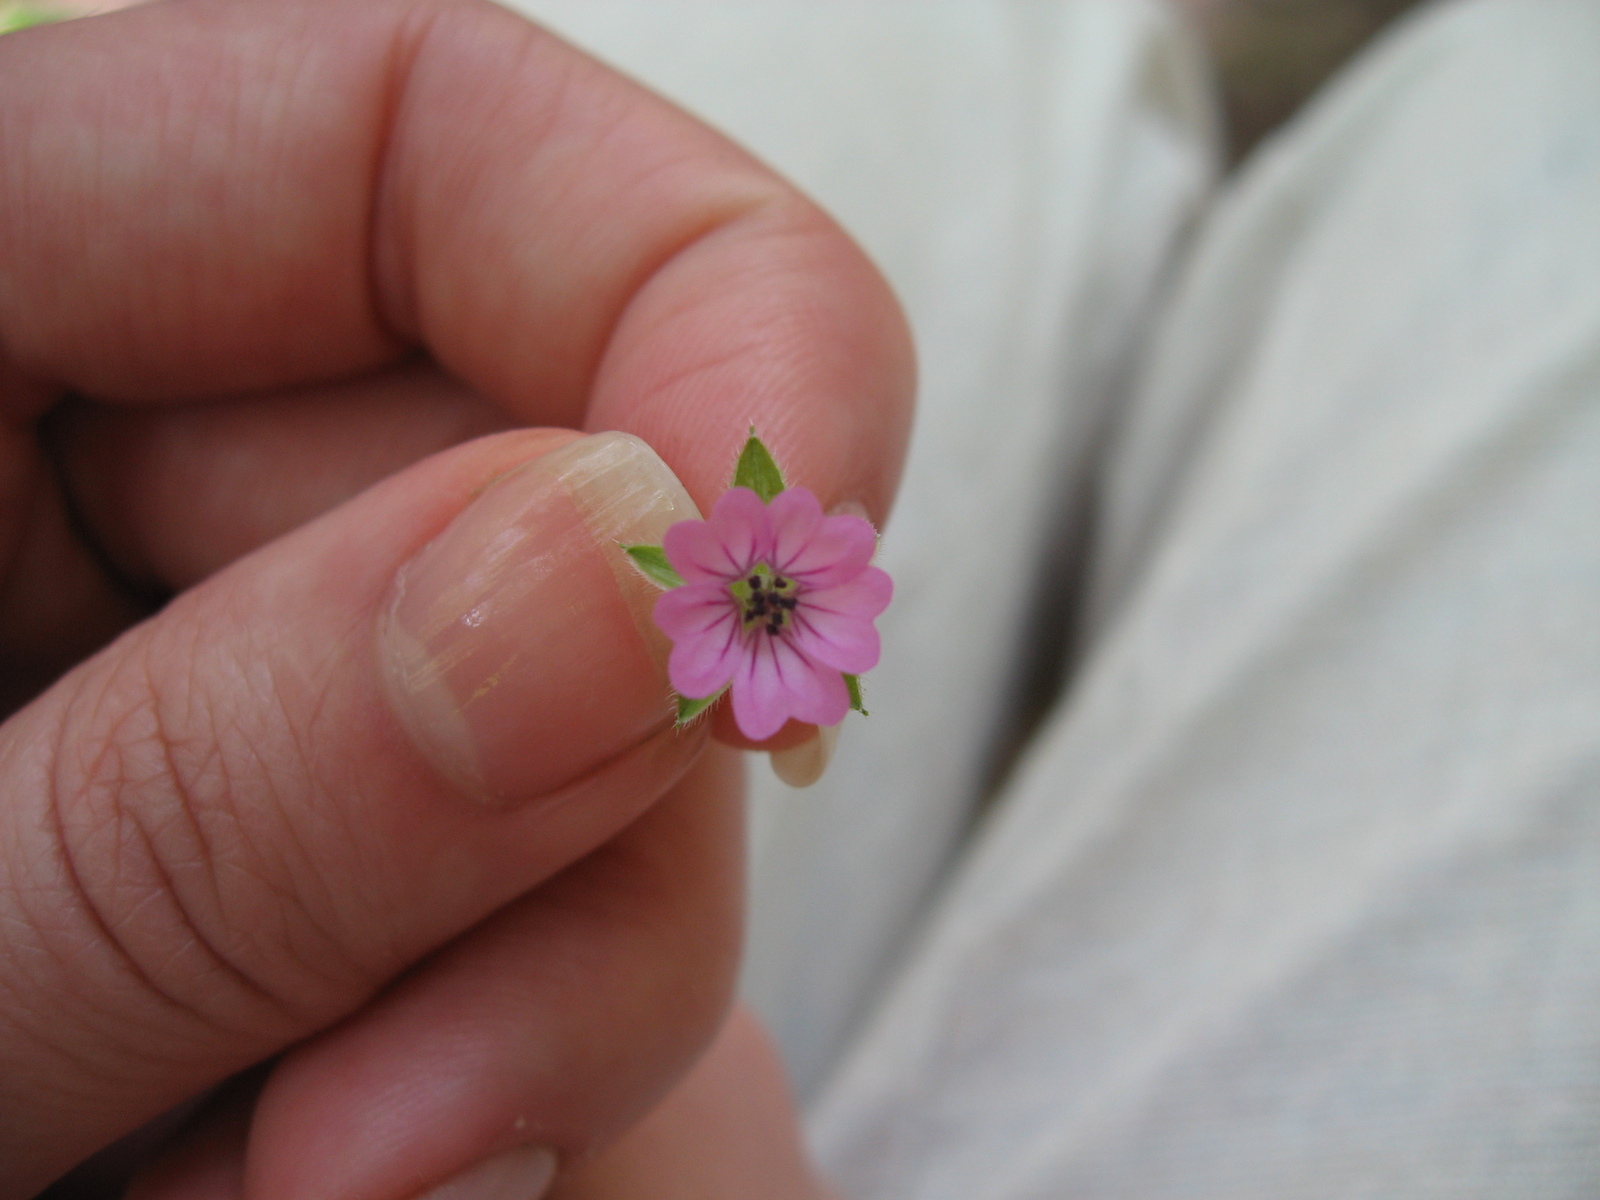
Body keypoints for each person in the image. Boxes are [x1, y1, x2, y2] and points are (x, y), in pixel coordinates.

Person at [8, 0, 1600, 1197]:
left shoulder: (758, 594)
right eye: (762, 589)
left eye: (779, 594)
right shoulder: (710, 584)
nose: (769, 588)